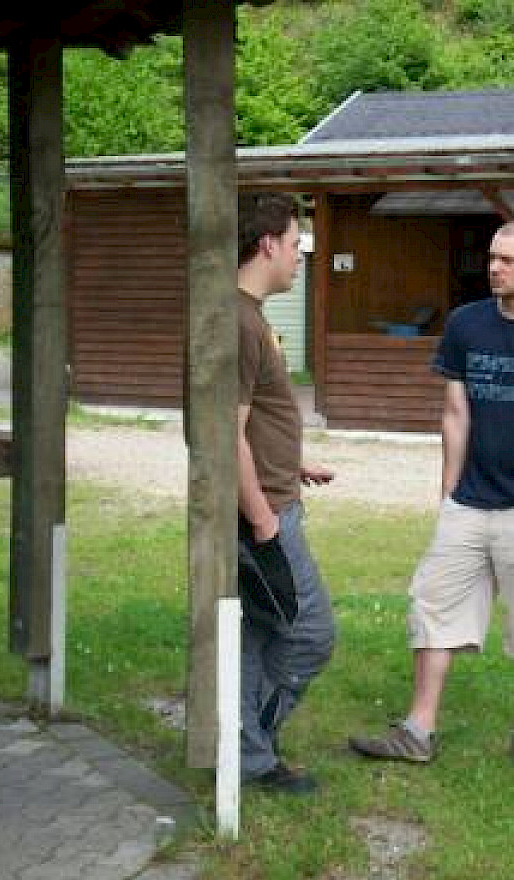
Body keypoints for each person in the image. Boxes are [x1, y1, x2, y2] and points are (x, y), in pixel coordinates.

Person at [349, 218, 514, 771]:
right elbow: (455, 412)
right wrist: (448, 491)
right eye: (491, 258)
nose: (495, 268)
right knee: (432, 605)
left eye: (508, 260)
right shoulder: (466, 324)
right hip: (468, 501)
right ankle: (419, 729)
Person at [237, 192, 336, 794]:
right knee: (309, 632)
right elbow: (225, 433)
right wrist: (262, 518)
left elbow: (252, 424)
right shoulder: (240, 322)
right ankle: (250, 743)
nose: (300, 256)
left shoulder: (247, 316)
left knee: (261, 632)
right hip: (264, 514)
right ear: (268, 243)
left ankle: (247, 752)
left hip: (273, 495)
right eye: (296, 245)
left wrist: (292, 463)